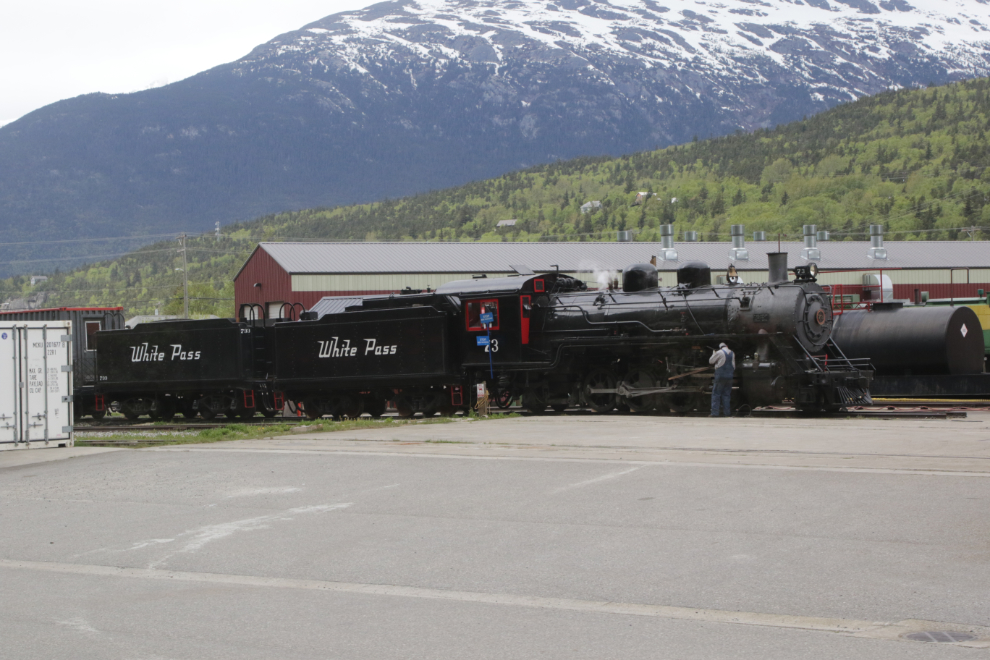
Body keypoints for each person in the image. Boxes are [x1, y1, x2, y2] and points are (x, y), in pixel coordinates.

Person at [709, 342, 735, 417]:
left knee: (716, 394)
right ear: (727, 346)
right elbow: (733, 365)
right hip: (730, 376)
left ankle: (715, 413)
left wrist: (714, 354)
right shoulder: (732, 353)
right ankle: (727, 413)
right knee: (726, 395)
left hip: (720, 376)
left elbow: (711, 361)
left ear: (720, 347)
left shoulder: (719, 352)